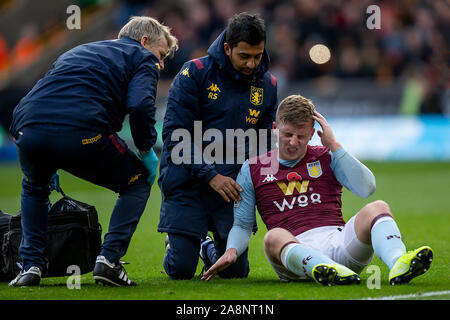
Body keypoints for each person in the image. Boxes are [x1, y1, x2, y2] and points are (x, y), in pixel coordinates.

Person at [8, 16, 178, 287]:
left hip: (27, 128)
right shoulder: (140, 57)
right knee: (137, 182)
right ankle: (108, 261)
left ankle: (30, 266)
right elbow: (141, 105)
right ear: (144, 41)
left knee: (34, 187)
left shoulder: (78, 50)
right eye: (160, 54)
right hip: (81, 130)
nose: (160, 63)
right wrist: (146, 148)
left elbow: (47, 93)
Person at [202, 95, 433, 286]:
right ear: (275, 129)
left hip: (340, 243)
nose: (293, 142)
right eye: (287, 134)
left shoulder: (326, 156)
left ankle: (398, 263)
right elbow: (242, 225)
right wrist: (231, 251)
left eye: (301, 136)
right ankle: (325, 268)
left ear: (312, 133)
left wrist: (334, 145)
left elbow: (367, 188)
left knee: (378, 207)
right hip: (293, 252)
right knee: (273, 236)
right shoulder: (252, 168)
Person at [158, 12, 278, 280]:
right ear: (227, 48)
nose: (252, 63)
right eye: (244, 56)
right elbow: (175, 134)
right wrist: (211, 175)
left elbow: (263, 144)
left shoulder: (268, 84)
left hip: (231, 189)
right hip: (188, 181)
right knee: (181, 271)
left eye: (257, 56)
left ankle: (207, 248)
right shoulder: (194, 73)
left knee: (235, 273)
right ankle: (182, 243)